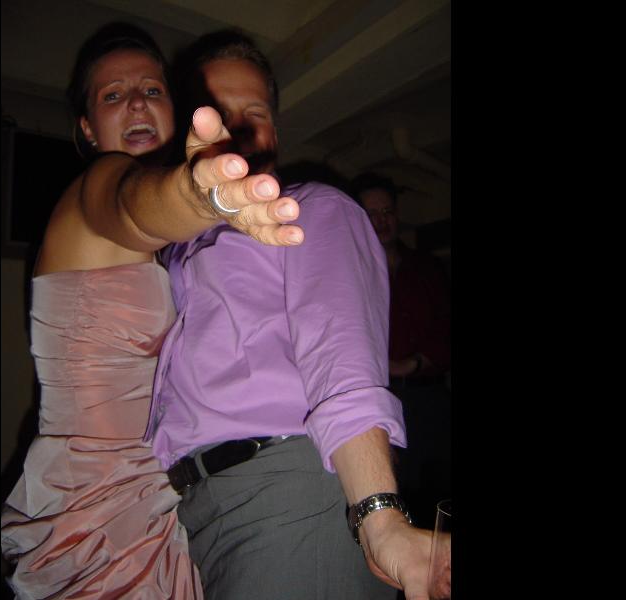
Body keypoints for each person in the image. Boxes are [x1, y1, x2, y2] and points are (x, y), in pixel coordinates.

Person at [0, 23, 303, 599]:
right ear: (87, 128)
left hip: (154, 497)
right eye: (113, 95)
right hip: (98, 513)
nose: (137, 103)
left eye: (153, 90)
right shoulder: (95, 188)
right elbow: (134, 206)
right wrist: (201, 196)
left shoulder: (171, 254)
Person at [146, 30, 436, 600]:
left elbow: (342, 359)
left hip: (288, 493)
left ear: (274, 133)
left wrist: (379, 516)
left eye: (254, 113)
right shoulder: (175, 244)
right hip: (193, 510)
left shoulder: (314, 208)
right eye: (218, 113)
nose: (237, 128)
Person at [353, 172, 451, 528]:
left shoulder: (428, 267)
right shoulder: (350, 272)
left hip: (431, 400)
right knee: (394, 496)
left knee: (442, 494)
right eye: (372, 214)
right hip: (379, 402)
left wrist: (413, 364)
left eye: (387, 212)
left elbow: (446, 329)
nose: (382, 221)